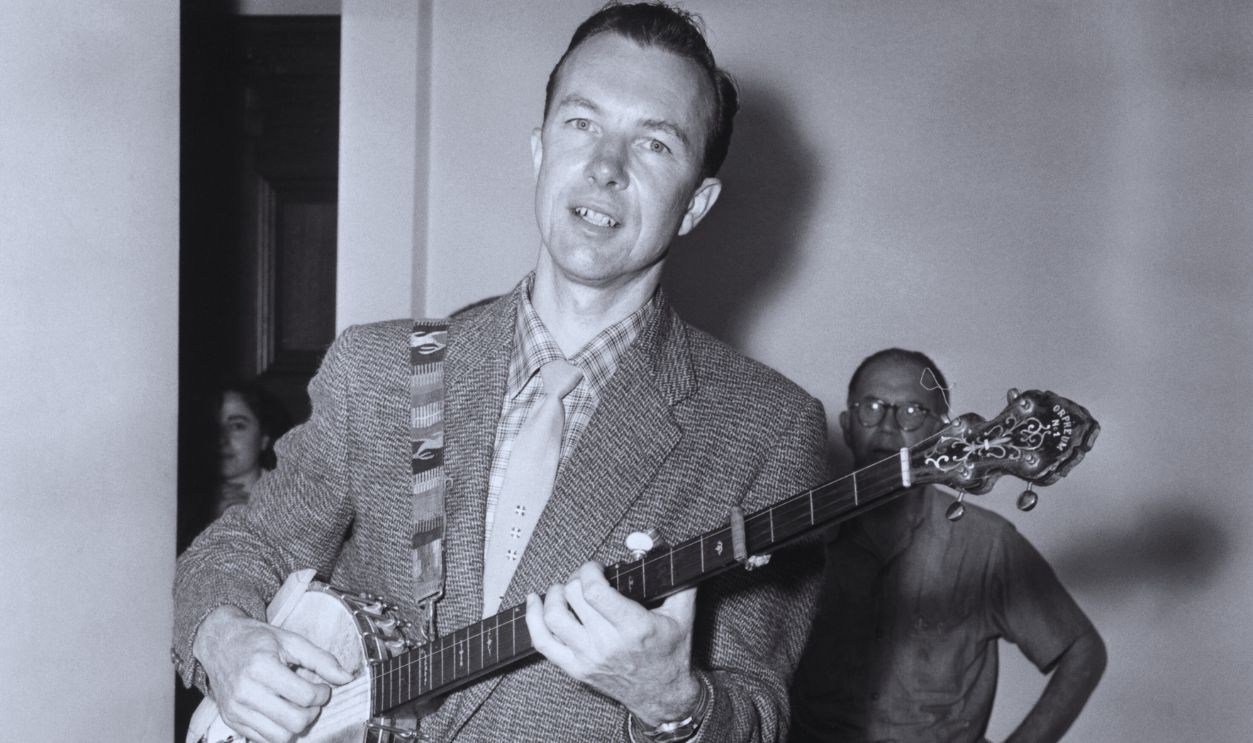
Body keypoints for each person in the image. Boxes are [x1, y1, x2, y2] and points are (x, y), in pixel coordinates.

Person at [172, 4, 829, 742]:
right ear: (539, 149)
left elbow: (756, 711)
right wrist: (225, 637)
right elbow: (243, 548)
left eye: (654, 144)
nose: (605, 167)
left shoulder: (767, 429)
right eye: (581, 124)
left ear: (695, 204)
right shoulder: (380, 368)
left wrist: (675, 701)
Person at [789, 349, 1106, 743]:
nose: (888, 426)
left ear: (941, 433)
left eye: (911, 412)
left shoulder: (989, 543)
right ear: (848, 425)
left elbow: (1082, 649)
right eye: (871, 407)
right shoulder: (798, 538)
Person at [212, 382, 290, 518]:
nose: (221, 439)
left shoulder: (289, 501)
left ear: (264, 438)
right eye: (213, 426)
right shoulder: (178, 500)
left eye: (237, 426)